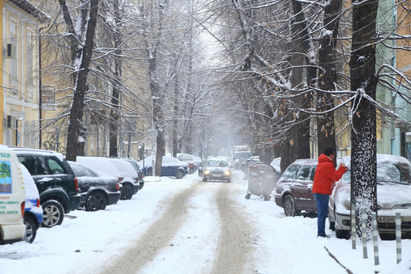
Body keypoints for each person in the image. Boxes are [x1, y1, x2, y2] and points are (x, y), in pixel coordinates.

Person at [312, 148, 347, 238]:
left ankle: (321, 232)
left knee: (321, 212)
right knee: (322, 213)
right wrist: (342, 169)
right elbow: (335, 176)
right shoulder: (327, 164)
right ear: (330, 155)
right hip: (322, 191)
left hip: (320, 191)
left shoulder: (323, 163)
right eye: (333, 154)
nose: (334, 156)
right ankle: (321, 233)